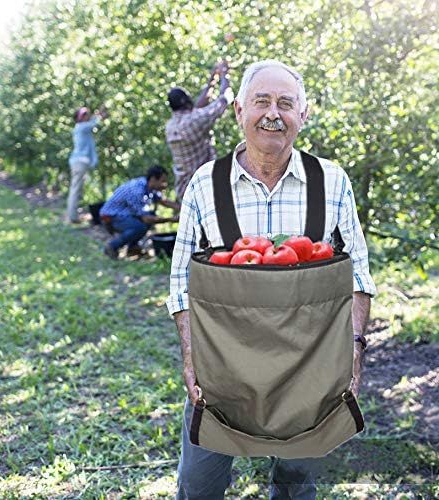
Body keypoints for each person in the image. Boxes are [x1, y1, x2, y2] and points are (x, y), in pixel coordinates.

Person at [166, 59, 377, 499]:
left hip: (307, 369)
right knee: (198, 485)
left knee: (297, 484)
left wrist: (353, 351)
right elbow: (181, 280)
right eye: (261, 101)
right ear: (240, 110)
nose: (273, 113)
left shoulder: (331, 181)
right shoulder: (206, 185)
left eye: (286, 103)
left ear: (304, 114)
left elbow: (357, 274)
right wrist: (191, 357)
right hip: (222, 367)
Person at [165, 61, 233, 202]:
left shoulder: (171, 126)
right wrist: (225, 74)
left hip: (185, 190)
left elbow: (197, 109)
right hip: (204, 189)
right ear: (187, 100)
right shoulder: (194, 121)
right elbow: (225, 98)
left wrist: (212, 79)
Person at [100, 165, 180, 259]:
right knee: (141, 226)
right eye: (162, 181)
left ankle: (132, 248)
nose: (165, 185)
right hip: (110, 217)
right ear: (154, 179)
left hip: (123, 215)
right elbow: (146, 219)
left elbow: (163, 200)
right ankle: (112, 247)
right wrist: (171, 219)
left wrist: (183, 208)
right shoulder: (137, 191)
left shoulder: (148, 186)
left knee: (150, 216)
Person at [66, 106, 108, 223]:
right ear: (82, 117)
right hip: (80, 162)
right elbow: (94, 123)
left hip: (79, 162)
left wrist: (98, 114)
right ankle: (72, 217)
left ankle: (72, 215)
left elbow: (92, 121)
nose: (89, 116)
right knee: (75, 189)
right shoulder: (82, 128)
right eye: (87, 114)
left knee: (76, 189)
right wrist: (100, 116)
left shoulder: (81, 128)